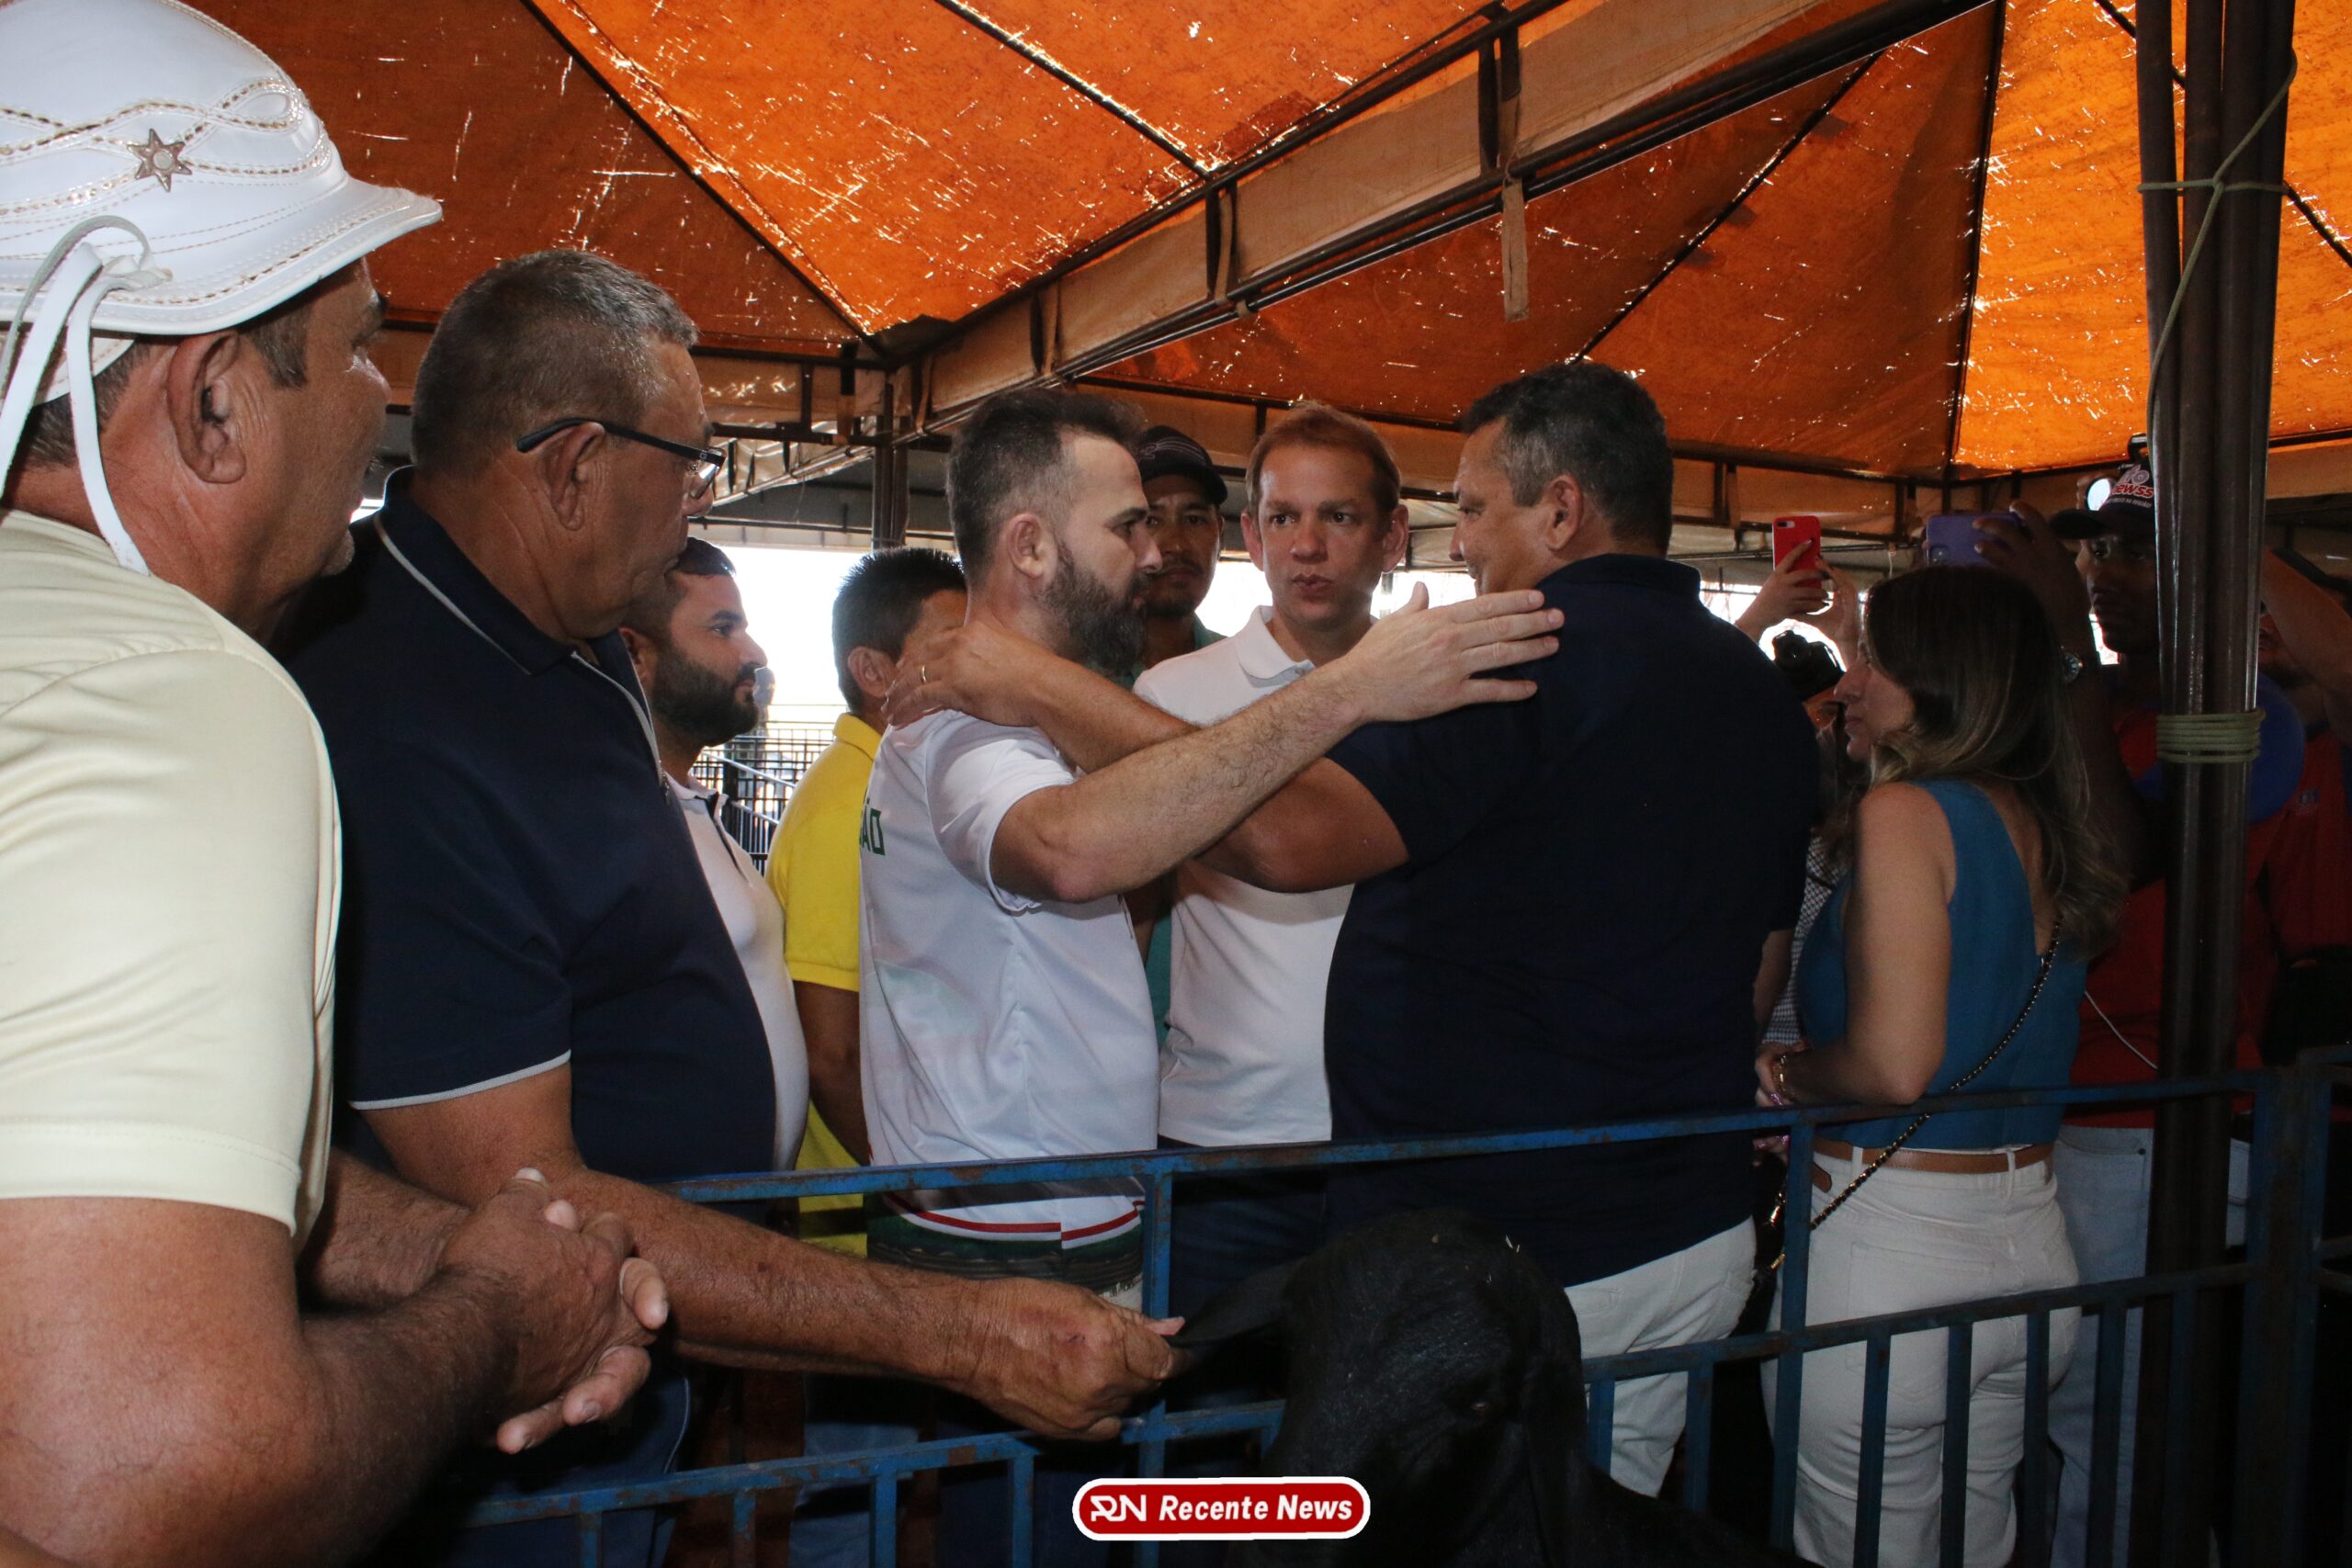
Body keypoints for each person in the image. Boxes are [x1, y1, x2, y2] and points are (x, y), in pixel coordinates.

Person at [275, 254, 1184, 1567]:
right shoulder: (396, 711)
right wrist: (959, 1331)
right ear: (575, 465)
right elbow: (521, 1201)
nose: (698, 504)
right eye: (692, 467)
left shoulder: (569, 634)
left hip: (641, 1354)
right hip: (505, 1432)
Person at [895, 361, 1817, 1495]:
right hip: (1689, 1221)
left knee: (1445, 1523)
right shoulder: (1754, 690)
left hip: (1524, 1244)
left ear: (1561, 510)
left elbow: (1280, 840)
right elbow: (1761, 964)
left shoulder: (1516, 651)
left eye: (1473, 507)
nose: (1461, 543)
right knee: (1597, 1513)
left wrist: (1034, 681)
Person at [0, 6, 664, 1562]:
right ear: (213, 398)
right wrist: (496, 1321)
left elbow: (79, 1145)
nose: (381, 399)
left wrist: (448, 1248)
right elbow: (150, 1479)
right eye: (361, 340)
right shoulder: (168, 696)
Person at [860, 387, 1561, 1563]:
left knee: (1134, 1514)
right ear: (1030, 545)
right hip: (1028, 1229)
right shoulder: (975, 723)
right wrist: (1349, 690)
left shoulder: (1025, 708)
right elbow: (1071, 851)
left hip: (1065, 1210)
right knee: (1052, 1528)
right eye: (1124, 526)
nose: (1153, 554)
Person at [1756, 566, 2128, 1567]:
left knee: (1853, 1546)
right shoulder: (2039, 815)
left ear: (1940, 680)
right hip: (2029, 1239)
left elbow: (1892, 1066)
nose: (1848, 682)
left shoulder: (1906, 813)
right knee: (1976, 1539)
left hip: (1893, 1248)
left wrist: (1786, 1075)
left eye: (1874, 661)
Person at [1974, 465, 2305, 1568]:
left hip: (2153, 1123)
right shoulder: (2091, 705)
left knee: (2108, 1419)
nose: (2104, 575)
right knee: (2049, 1407)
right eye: (2097, 552)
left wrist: (2064, 644)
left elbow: (2116, 866)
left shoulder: (2244, 719)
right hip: (2063, 1108)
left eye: (2136, 552)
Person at [1134, 405, 1408, 1325]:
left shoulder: (1436, 692)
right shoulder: (1173, 696)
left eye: (1339, 516)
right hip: (1223, 1146)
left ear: (1391, 537)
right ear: (1251, 537)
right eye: (1284, 518)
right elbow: (1129, 910)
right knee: (1204, 1400)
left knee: (1381, 1400)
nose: (1307, 545)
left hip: (1393, 1137)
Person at [763, 545, 967, 1568]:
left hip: (883, 1193)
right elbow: (830, 1046)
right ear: (874, 670)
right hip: (865, 1213)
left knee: (887, 1464)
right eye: (951, 644)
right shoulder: (853, 805)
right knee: (858, 1471)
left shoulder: (892, 783)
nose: (979, 664)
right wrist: (913, 1193)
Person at [618, 537, 808, 1168]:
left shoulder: (694, 808)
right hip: (674, 1212)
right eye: (723, 629)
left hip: (748, 1206)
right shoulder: (619, 823)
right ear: (635, 655)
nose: (753, 653)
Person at [1125, 423, 1230, 1043]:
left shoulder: (1257, 683)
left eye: (1194, 518)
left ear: (1222, 535)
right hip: (1095, 1040)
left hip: (1220, 1044)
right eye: (1150, 519)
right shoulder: (1062, 687)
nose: (1174, 543)